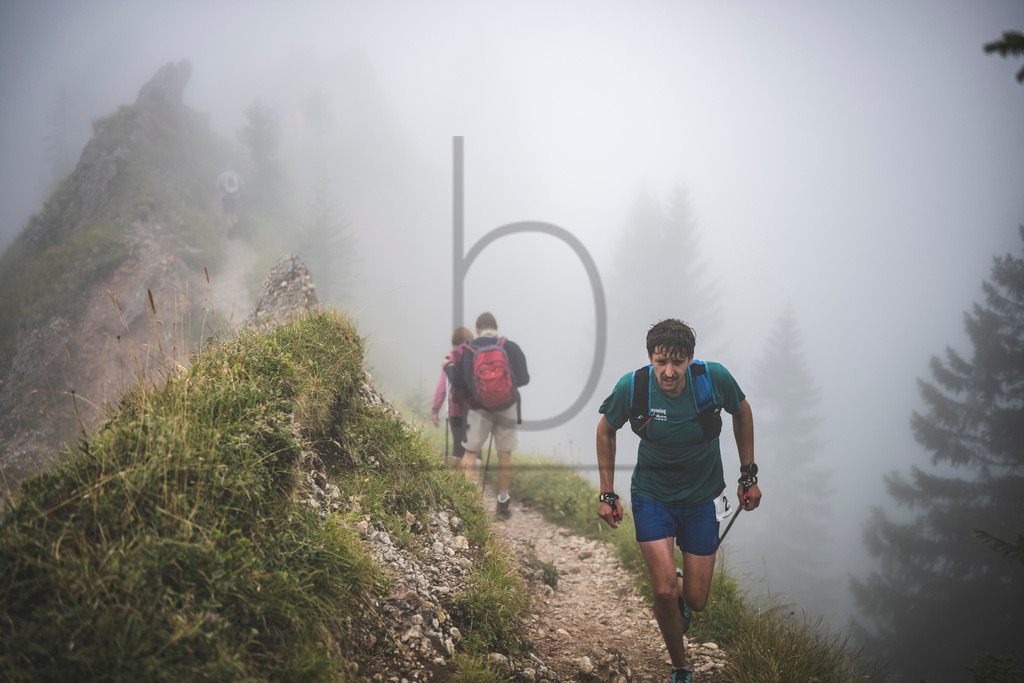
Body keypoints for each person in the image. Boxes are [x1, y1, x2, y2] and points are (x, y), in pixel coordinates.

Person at [594, 318, 760, 683]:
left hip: (703, 497)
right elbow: (606, 430)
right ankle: (680, 666)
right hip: (652, 495)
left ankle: (681, 584)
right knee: (664, 590)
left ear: (691, 359)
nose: (669, 372)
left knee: (696, 600)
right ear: (650, 358)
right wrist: (607, 492)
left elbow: (742, 411)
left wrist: (747, 474)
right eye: (661, 362)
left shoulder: (713, 379)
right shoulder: (633, 387)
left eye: (678, 362)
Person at [443, 312, 529, 518]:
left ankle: (469, 499)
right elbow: (524, 379)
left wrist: (448, 368)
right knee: (504, 455)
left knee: (471, 452)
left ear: (477, 328)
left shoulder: (470, 349)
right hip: (507, 407)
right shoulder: (510, 346)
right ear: (496, 327)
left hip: (478, 408)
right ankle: (502, 501)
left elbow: (460, 384)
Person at [431, 326, 474, 465]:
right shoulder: (476, 355)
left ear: (455, 340)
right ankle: (473, 484)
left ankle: (456, 484)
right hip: (475, 410)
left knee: (458, 448)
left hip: (456, 410)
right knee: (473, 450)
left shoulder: (450, 356)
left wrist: (435, 409)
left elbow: (442, 387)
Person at [216, 167, 243, 234]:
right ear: (232, 169)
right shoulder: (237, 176)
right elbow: (242, 185)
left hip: (225, 197)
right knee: (234, 213)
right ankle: (236, 228)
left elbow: (217, 187)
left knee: (227, 214)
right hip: (236, 197)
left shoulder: (222, 176)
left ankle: (230, 233)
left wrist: (220, 192)